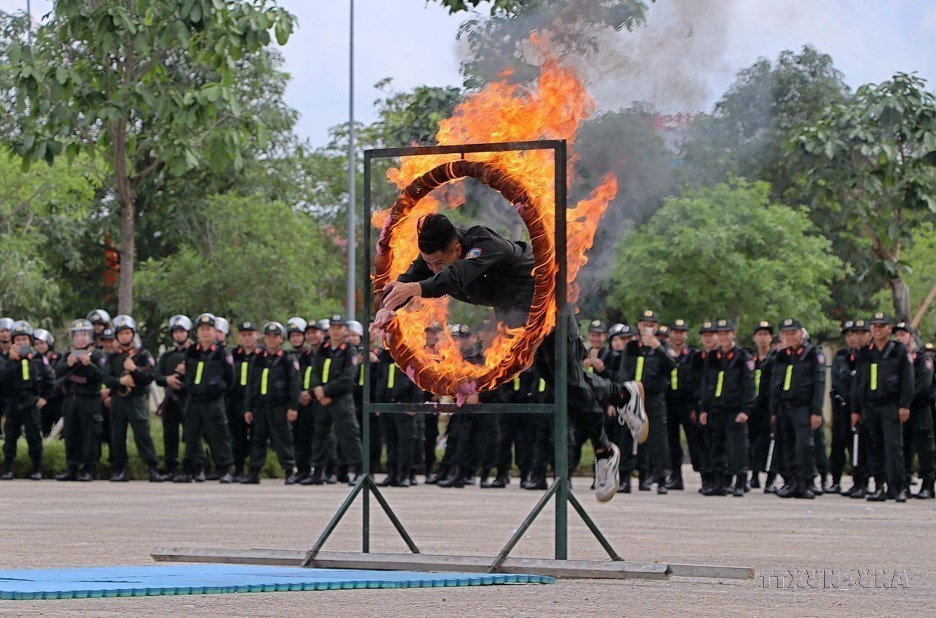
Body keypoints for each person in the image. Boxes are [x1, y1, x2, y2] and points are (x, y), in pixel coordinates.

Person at [377, 213, 639, 502]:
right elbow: (405, 283)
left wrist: (418, 287)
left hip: (546, 304)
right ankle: (622, 394)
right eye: (428, 263)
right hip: (514, 319)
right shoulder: (431, 259)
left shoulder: (484, 244)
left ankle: (605, 450)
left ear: (458, 250)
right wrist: (385, 309)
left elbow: (453, 278)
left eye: (438, 263)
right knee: (560, 382)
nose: (432, 268)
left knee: (568, 382)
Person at [851, 312, 914, 502]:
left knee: (893, 447)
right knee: (875, 447)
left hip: (891, 405)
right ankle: (879, 486)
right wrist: (855, 409)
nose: (878, 330)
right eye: (875, 326)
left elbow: (907, 380)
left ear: (889, 329)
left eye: (882, 326)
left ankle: (897, 487)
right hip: (870, 406)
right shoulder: (866, 352)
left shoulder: (899, 351)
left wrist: (904, 405)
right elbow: (858, 382)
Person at [173, 313, 235, 484]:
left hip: (213, 400)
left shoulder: (222, 352)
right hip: (194, 399)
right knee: (191, 436)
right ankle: (188, 470)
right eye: (202, 329)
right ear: (197, 332)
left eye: (209, 329)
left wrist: (218, 390)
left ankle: (225, 469)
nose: (205, 333)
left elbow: (231, 378)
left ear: (215, 332)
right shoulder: (192, 351)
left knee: (219, 435)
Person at [769, 319, 826, 500]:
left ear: (802, 333)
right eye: (786, 333)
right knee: (786, 444)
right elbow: (775, 383)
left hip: (803, 407)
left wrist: (816, 411)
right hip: (784, 406)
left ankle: (806, 482)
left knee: (804, 446)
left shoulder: (813, 354)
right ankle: (790, 481)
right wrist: (773, 410)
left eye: (793, 333)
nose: (790, 337)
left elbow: (819, 384)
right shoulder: (782, 355)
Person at [101, 315, 162, 482]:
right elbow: (105, 377)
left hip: (136, 400)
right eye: (121, 334)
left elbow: (150, 375)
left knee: (143, 434)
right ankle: (120, 468)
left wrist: (134, 370)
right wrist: (120, 381)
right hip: (118, 400)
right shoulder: (112, 357)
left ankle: (152, 467)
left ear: (132, 334)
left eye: (127, 333)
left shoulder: (143, 354)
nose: (124, 337)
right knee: (117, 435)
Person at [699, 319, 755, 497]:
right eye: (720, 333)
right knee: (717, 446)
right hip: (716, 409)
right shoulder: (713, 357)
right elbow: (706, 384)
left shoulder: (742, 357)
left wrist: (745, 410)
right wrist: (703, 409)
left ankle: (740, 482)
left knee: (737, 447)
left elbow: (749, 386)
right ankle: (719, 482)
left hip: (735, 409)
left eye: (726, 333)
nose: (723, 337)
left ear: (733, 334)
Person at [307, 315, 362, 485]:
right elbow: (314, 372)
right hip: (321, 401)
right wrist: (317, 391)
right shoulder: (322, 349)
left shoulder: (349, 350)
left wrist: (325, 391)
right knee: (320, 436)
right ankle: (317, 472)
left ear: (345, 330)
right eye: (333, 327)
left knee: (349, 435)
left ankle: (359, 471)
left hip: (341, 400)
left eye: (339, 328)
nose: (336, 331)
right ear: (329, 330)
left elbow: (348, 378)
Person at [243, 322, 300, 485]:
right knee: (257, 439)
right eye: (268, 336)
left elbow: (295, 384)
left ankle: (289, 471)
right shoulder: (258, 358)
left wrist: (292, 407)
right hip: (260, 406)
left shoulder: (287, 358)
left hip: (280, 406)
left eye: (275, 336)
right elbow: (251, 384)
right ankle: (254, 472)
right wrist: (248, 408)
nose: (271, 339)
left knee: (283, 439)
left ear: (281, 339)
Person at [1, 321, 52, 480]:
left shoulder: (38, 359)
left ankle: (37, 469)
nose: (21, 343)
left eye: (24, 340)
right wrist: (11, 360)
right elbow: (2, 379)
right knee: (10, 439)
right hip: (12, 404)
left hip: (31, 403)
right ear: (13, 342)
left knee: (34, 438)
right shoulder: (5, 359)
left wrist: (44, 397)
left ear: (30, 341)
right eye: (18, 340)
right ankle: (8, 468)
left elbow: (50, 380)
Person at [55, 319, 105, 481]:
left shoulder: (97, 355)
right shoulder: (66, 355)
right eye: (77, 335)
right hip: (71, 398)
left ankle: (89, 468)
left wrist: (89, 365)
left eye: (84, 335)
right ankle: (72, 467)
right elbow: (56, 373)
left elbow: (101, 376)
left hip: (89, 399)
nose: (80, 338)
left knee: (90, 434)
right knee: (71, 433)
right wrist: (68, 365)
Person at [893, 322, 934, 498]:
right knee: (903, 445)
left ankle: (928, 483)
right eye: (897, 335)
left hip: (920, 408)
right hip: (901, 408)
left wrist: (906, 399)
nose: (899, 338)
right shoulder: (895, 358)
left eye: (903, 334)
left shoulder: (923, 358)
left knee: (925, 446)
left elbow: (924, 384)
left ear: (911, 336)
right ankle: (905, 482)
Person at [664, 319, 702, 491]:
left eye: (682, 332)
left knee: (695, 440)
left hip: (688, 404)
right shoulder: (663, 353)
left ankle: (704, 474)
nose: (678, 335)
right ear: (670, 334)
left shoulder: (693, 355)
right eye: (675, 332)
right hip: (669, 403)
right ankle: (675, 476)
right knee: (672, 442)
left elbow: (698, 381)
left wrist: (696, 406)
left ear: (686, 335)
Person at [155, 315, 192, 478]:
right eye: (175, 332)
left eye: (181, 331)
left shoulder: (194, 354)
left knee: (191, 435)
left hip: (189, 400)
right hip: (170, 400)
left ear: (188, 333)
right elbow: (157, 377)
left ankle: (195, 467)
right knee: (170, 434)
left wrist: (186, 376)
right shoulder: (167, 356)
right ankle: (170, 467)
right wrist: (167, 380)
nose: (178, 335)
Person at [749, 321, 775, 492]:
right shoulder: (751, 360)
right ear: (754, 338)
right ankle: (755, 475)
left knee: (769, 441)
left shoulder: (777, 358)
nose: (763, 338)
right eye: (760, 335)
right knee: (752, 441)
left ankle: (771, 478)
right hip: (753, 406)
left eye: (766, 335)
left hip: (770, 406)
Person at [33, 328, 65, 437]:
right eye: (36, 344)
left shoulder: (59, 358)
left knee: (63, 433)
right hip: (42, 401)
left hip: (58, 400)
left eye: (41, 343)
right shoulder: (33, 360)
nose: (39, 346)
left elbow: (60, 378)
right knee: (42, 432)